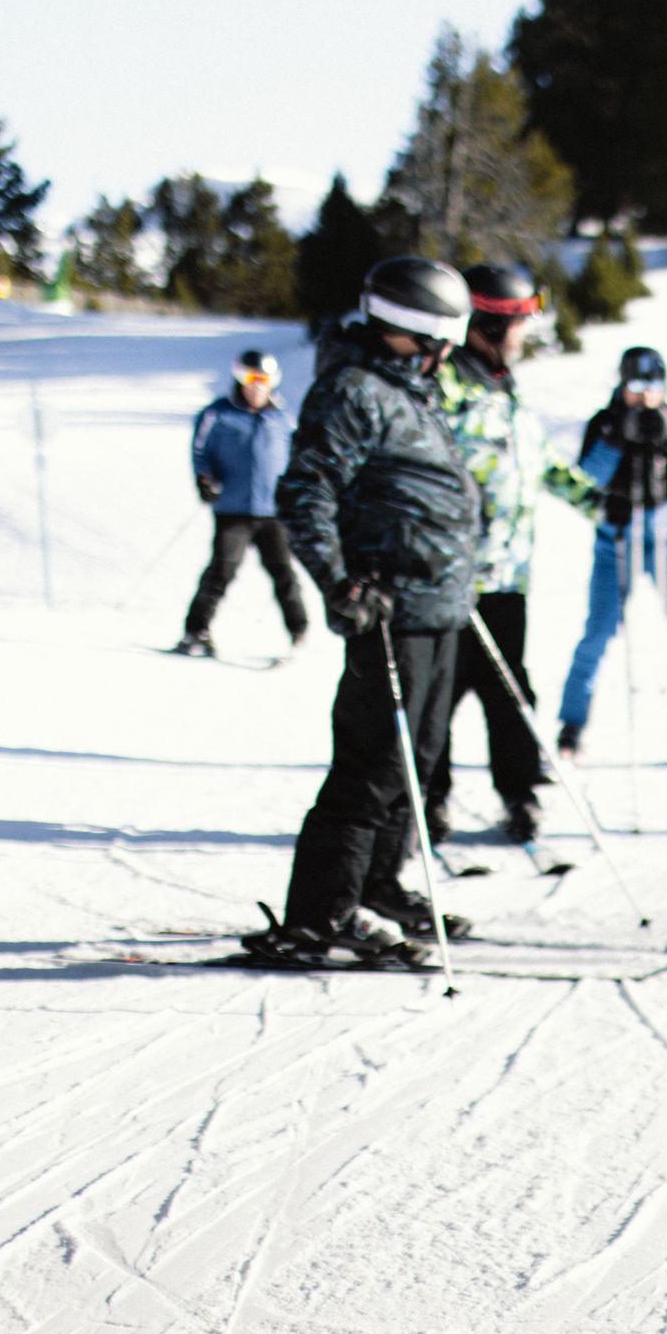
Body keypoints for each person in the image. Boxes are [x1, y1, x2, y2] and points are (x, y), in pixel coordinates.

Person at [242, 257, 483, 967]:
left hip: (439, 604)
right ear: (419, 331)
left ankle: (379, 885)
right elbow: (306, 492)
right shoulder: (353, 391)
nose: (450, 352)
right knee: (373, 764)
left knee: (419, 759)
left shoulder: (411, 392)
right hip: (389, 607)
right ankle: (320, 914)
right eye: (446, 337)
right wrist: (341, 584)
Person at [427, 263, 600, 845]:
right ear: (488, 321)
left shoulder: (505, 388)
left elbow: (539, 462)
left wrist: (602, 503)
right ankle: (428, 802)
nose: (526, 334)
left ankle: (519, 794)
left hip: (507, 576)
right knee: (439, 695)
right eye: (520, 322)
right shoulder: (444, 384)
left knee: (511, 692)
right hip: (450, 578)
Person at [556, 345, 667, 780]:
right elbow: (586, 478)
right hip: (614, 543)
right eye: (635, 385)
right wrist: (616, 441)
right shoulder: (605, 421)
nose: (644, 395)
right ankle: (570, 730)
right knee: (596, 636)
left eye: (653, 385)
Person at [173, 350, 306, 655]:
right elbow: (200, 452)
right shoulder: (218, 414)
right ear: (239, 378)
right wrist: (205, 479)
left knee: (283, 572)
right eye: (251, 378)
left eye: (264, 380)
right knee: (222, 570)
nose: (257, 387)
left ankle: (299, 632)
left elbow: (297, 458)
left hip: (272, 511)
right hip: (233, 508)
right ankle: (196, 631)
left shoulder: (281, 419)